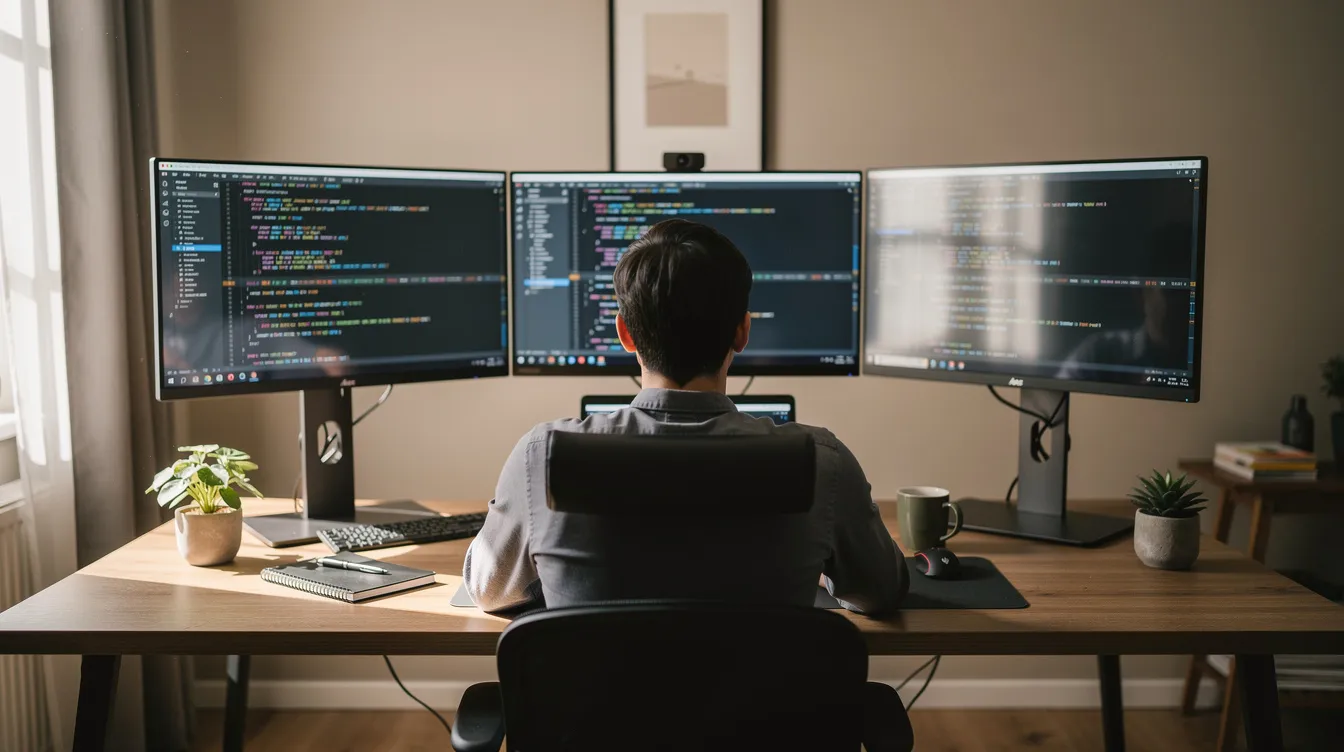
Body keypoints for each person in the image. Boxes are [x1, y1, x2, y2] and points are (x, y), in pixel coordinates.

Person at [463, 219, 907, 614]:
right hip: (761, 687)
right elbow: (881, 592)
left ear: (625, 334)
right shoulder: (822, 460)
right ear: (743, 331)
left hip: (600, 687)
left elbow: (490, 591)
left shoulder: (543, 456)